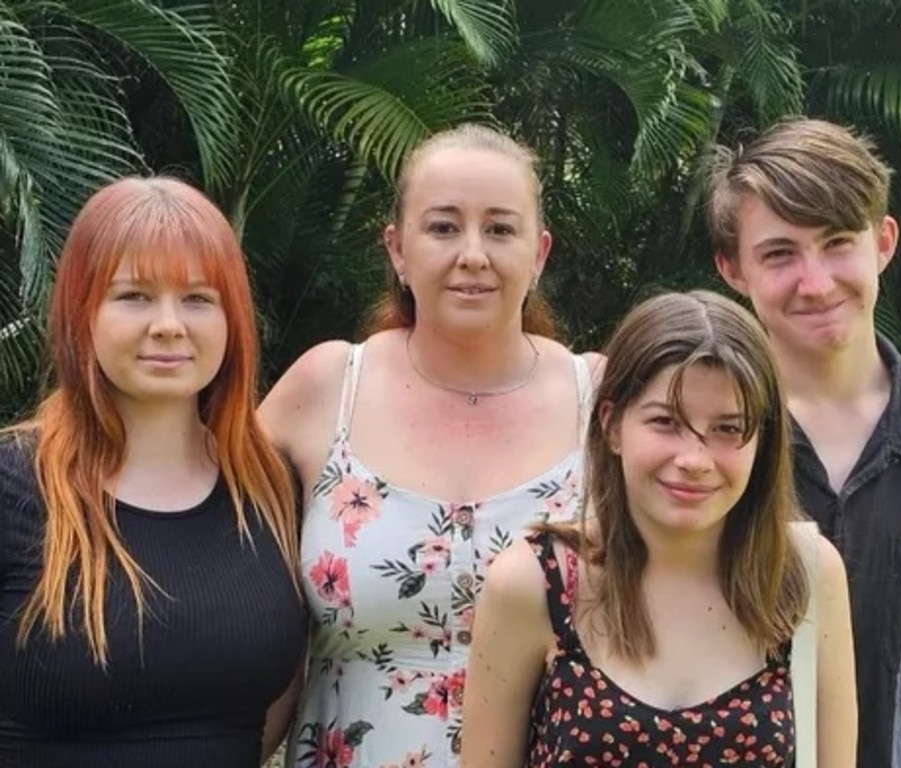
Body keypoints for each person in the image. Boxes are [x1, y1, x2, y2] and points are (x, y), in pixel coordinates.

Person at [259, 123, 602, 767]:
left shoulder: (606, 403)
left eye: (500, 229)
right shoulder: (326, 389)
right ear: (396, 249)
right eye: (443, 227)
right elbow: (200, 555)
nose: (473, 253)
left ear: (540, 253)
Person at [707, 117, 901, 768]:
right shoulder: (699, 441)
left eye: (837, 243)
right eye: (779, 253)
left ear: (882, 243)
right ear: (732, 269)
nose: (816, 281)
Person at [461, 290, 856, 767]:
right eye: (666, 422)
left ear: (762, 440)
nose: (693, 460)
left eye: (728, 429)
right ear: (612, 426)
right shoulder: (533, 583)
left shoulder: (807, 577)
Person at [0, 177, 306, 768]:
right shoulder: (14, 485)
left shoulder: (271, 492)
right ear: (80, 311)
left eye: (197, 298)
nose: (169, 324)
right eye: (134, 295)